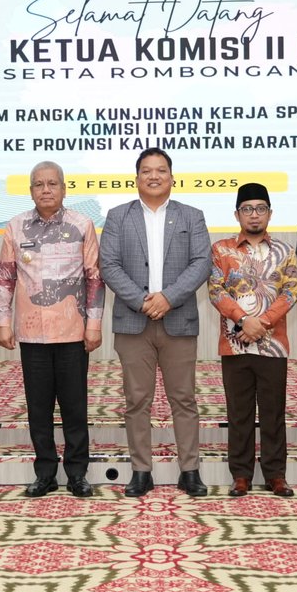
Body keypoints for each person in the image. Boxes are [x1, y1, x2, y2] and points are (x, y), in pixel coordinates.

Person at [99, 147, 212, 498]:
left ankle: (189, 470)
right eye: (146, 171)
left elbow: (202, 263)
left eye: (161, 170)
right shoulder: (118, 216)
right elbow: (109, 265)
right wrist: (142, 301)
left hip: (179, 320)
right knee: (136, 400)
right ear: (136, 178)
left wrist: (168, 298)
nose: (154, 176)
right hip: (133, 323)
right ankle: (141, 471)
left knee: (184, 399)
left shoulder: (192, 216)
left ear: (172, 178)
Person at [0, 161, 104, 498]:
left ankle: (77, 474)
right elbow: (5, 278)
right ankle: (45, 473)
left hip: (72, 332)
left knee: (75, 407)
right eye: (39, 184)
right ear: (30, 191)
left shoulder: (82, 225)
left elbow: (94, 279)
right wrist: (2, 322)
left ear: (64, 189)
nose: (45, 190)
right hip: (32, 334)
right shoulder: (15, 227)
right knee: (38, 409)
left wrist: (94, 325)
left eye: (52, 184)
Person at [209, 183, 297, 498]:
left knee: (273, 412)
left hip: (273, 345)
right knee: (239, 412)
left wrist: (261, 323)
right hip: (234, 346)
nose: (254, 215)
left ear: (270, 213)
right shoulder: (221, 250)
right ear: (237, 215)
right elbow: (215, 290)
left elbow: (291, 291)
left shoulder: (285, 251)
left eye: (261, 208)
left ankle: (276, 475)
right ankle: (241, 475)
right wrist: (243, 320)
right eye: (247, 209)